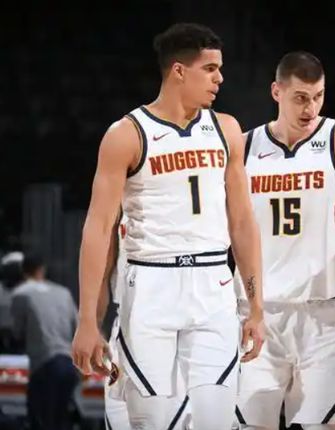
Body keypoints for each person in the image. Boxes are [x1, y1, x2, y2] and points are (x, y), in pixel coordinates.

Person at [71, 22, 265, 429]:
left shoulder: (226, 129)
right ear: (179, 71)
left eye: (220, 69)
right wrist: (88, 319)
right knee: (152, 420)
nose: (220, 78)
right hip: (150, 284)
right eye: (210, 69)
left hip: (213, 282)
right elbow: (99, 228)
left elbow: (243, 223)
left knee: (216, 418)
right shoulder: (127, 134)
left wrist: (255, 307)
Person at [235, 51, 335, 430]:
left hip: (327, 314)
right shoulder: (243, 147)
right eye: (301, 98)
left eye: (318, 96)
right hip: (258, 313)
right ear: (276, 92)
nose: (311, 108)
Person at [98, 215, 191, 429]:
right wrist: (91, 324)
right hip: (128, 321)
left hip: (183, 327)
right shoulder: (118, 204)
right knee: (122, 420)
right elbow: (103, 269)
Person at [10, 253, 79, 430]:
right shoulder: (64, 293)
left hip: (44, 365)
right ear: (42, 270)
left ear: (23, 271)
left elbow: (17, 332)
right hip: (69, 365)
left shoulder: (21, 294)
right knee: (61, 419)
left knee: (40, 419)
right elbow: (78, 328)